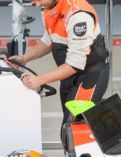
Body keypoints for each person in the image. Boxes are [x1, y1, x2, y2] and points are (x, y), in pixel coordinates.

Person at [10, 0, 109, 129]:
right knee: (69, 129)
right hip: (68, 76)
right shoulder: (50, 5)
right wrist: (24, 58)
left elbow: (75, 63)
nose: (37, 4)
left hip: (89, 78)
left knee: (73, 129)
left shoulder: (78, 15)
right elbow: (50, 38)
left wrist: (39, 80)